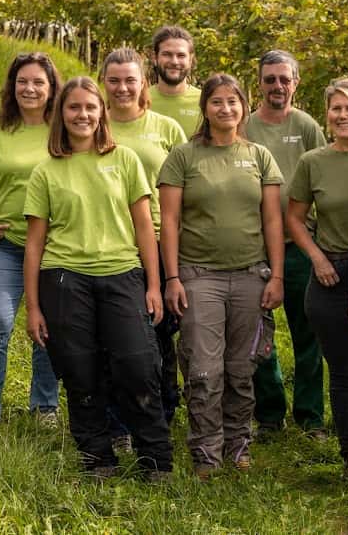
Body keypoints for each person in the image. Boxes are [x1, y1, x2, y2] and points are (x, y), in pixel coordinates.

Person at [23, 77, 172, 480]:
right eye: (74, 107)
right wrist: (33, 306)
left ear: (101, 113)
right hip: (64, 279)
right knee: (80, 371)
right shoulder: (45, 171)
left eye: (90, 107)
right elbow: (35, 244)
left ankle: (155, 459)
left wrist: (154, 285)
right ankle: (97, 458)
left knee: (138, 366)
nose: (82, 114)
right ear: (61, 114)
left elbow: (145, 228)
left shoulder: (124, 160)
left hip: (123, 275)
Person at [158, 73, 285, 479]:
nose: (226, 109)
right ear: (205, 108)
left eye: (233, 101)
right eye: (217, 102)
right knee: (202, 369)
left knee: (241, 367)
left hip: (251, 275)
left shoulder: (260, 156)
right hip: (199, 277)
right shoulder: (184, 156)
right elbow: (171, 220)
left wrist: (277, 275)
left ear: (243, 107)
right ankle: (206, 452)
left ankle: (238, 445)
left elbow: (271, 221)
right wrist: (173, 278)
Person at [287, 78, 348, 479]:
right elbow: (294, 217)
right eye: (335, 108)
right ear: (327, 115)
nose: (343, 115)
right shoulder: (313, 162)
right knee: (343, 372)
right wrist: (317, 258)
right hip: (329, 276)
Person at [0, 52, 61, 426]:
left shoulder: (61, 130)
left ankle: (44, 407)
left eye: (38, 82)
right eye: (23, 81)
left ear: (52, 88)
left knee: (47, 328)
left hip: (54, 248)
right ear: (12, 86)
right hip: (6, 245)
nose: (30, 88)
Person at [100, 47, 187, 437]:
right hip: (108, 240)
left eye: (130, 80)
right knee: (116, 337)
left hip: (157, 238)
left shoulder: (166, 128)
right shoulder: (94, 125)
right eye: (114, 80)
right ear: (104, 82)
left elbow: (186, 186)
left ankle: (162, 410)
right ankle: (118, 419)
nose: (122, 88)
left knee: (158, 332)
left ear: (143, 82)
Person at [245, 50, 326, 436]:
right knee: (260, 335)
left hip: (300, 244)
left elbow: (324, 176)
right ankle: (269, 415)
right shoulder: (245, 127)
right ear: (259, 83)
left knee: (308, 332)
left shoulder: (307, 126)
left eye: (285, 79)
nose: (278, 86)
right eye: (270, 79)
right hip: (255, 246)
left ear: (296, 83)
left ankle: (310, 416)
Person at [147, 25, 202, 138]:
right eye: (167, 54)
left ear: (190, 60)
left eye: (181, 55)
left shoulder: (205, 102)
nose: (174, 61)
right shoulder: (140, 100)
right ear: (154, 57)